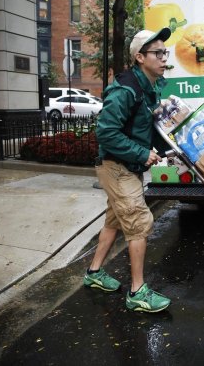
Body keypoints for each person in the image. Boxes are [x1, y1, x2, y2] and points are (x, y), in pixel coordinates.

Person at [83, 28, 173, 313]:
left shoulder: (149, 85)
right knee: (138, 223)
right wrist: (141, 153)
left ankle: (94, 273)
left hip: (126, 166)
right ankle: (137, 292)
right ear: (139, 57)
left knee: (114, 221)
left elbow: (146, 126)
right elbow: (107, 133)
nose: (163, 58)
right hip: (116, 167)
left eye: (164, 52)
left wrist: (170, 143)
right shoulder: (125, 89)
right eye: (157, 53)